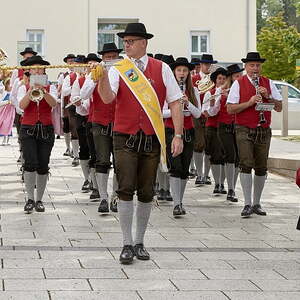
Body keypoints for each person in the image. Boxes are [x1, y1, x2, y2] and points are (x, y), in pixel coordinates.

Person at [95, 23, 183, 264]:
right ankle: (126, 243)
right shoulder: (118, 68)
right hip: (124, 136)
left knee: (146, 191)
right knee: (125, 188)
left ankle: (139, 242)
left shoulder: (162, 68)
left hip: (153, 137)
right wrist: (101, 78)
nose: (126, 45)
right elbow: (107, 98)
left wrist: (178, 134)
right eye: (125, 41)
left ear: (144, 43)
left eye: (131, 41)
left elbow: (176, 102)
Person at [227, 52, 282, 217]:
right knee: (246, 163)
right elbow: (230, 108)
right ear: (246, 67)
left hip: (263, 129)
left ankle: (257, 203)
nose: (255, 68)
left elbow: (279, 107)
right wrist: (250, 102)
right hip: (243, 128)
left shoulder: (269, 83)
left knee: (261, 166)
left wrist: (268, 96)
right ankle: (247, 203)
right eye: (252, 65)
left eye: (258, 65)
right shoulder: (238, 84)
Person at [18, 55, 57, 213]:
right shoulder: (22, 86)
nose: (37, 70)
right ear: (29, 70)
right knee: (30, 163)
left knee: (43, 165)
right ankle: (30, 199)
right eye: (33, 68)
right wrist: (30, 91)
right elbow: (21, 106)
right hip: (28, 128)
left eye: (39, 68)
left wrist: (44, 92)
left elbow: (54, 104)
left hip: (46, 129)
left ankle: (39, 199)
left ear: (44, 70)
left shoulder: (50, 86)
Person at [164, 57, 201, 216]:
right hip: (171, 131)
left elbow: (198, 114)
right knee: (175, 166)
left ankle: (180, 200)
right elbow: (161, 113)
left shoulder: (194, 91)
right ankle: (176, 203)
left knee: (185, 168)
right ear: (174, 72)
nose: (182, 73)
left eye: (185, 71)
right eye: (179, 70)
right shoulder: (167, 89)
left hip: (189, 132)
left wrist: (187, 103)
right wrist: (175, 107)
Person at [192, 54, 218, 185]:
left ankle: (206, 175)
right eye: (205, 64)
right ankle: (199, 173)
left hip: (210, 114)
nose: (207, 66)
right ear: (200, 65)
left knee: (208, 145)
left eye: (209, 64)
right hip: (197, 115)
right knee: (198, 144)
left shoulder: (214, 80)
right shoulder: (194, 79)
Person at [202, 67, 228, 195]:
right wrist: (212, 104)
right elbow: (206, 112)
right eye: (219, 78)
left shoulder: (229, 92)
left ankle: (222, 183)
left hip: (225, 127)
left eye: (224, 78)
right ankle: (217, 182)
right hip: (212, 127)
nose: (222, 81)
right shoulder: (209, 93)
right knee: (215, 156)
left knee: (225, 156)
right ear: (215, 80)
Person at [60, 54, 76, 157]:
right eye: (69, 61)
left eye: (73, 61)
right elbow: (62, 91)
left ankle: (75, 150)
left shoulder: (79, 73)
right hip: (66, 102)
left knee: (74, 127)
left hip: (77, 103)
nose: (71, 62)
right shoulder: (63, 75)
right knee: (66, 126)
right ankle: (68, 147)